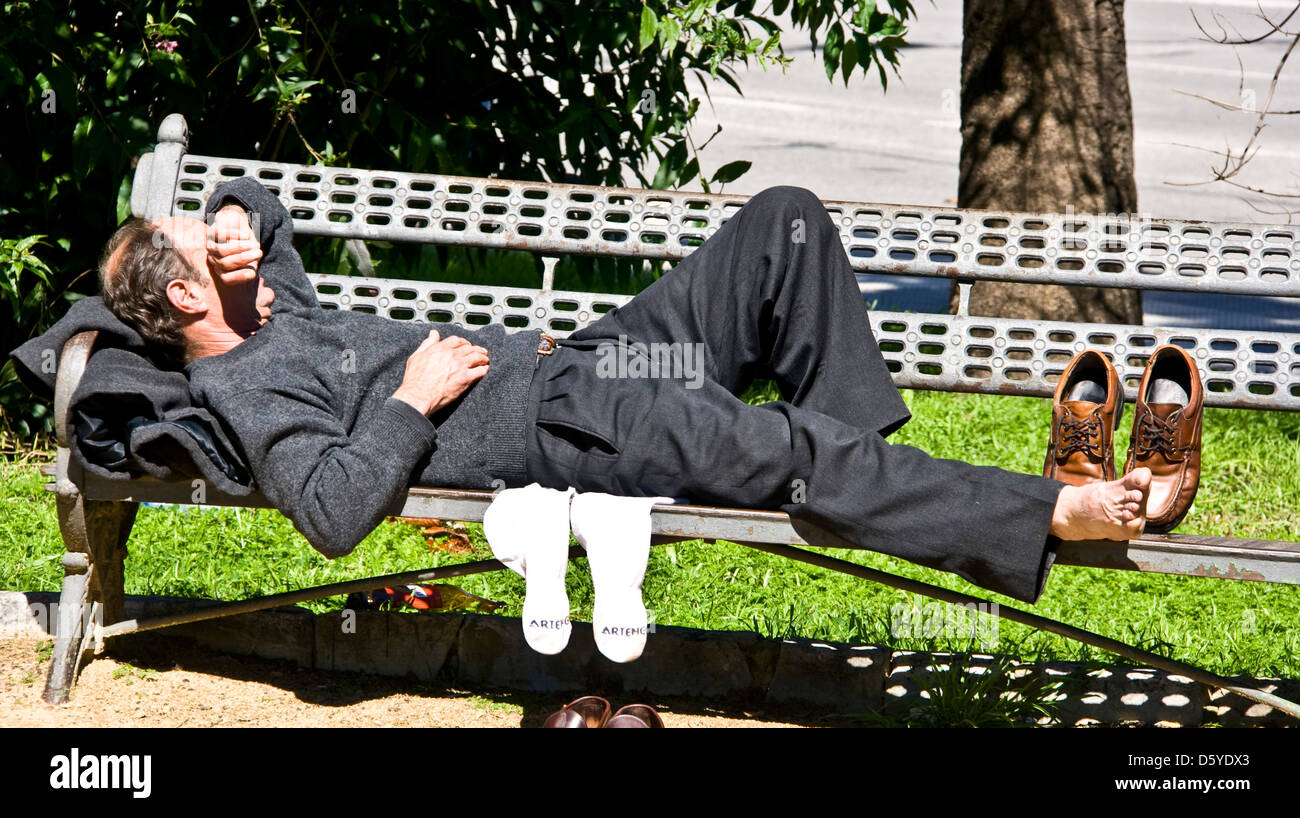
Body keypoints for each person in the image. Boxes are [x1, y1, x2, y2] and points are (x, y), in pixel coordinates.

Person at [97, 177, 1150, 605]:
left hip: (601, 361)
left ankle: (843, 473)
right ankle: (1040, 507)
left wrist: (237, 208)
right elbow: (327, 510)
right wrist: (411, 398)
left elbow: (268, 226)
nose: (229, 243)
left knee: (780, 224)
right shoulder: (245, 379)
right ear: (189, 293)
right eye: (203, 239)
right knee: (788, 450)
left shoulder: (257, 304)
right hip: (578, 422)